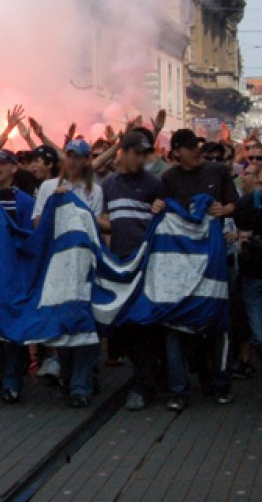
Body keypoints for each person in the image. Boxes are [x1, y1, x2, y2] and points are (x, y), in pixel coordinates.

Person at [158, 128, 239, 411]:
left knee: (219, 324)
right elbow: (163, 212)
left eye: (197, 146)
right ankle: (179, 390)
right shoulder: (168, 178)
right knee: (174, 326)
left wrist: (224, 210)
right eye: (190, 147)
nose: (197, 152)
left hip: (214, 260)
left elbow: (235, 203)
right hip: (181, 265)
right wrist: (158, 207)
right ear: (176, 152)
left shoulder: (217, 171)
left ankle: (222, 384)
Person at [32, 139, 103, 407]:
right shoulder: (48, 187)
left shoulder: (95, 190)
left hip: (83, 263)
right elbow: (38, 224)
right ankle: (69, 374)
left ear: (86, 160)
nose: (72, 161)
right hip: (57, 264)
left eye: (78, 156)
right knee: (63, 320)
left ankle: (80, 383)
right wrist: (56, 203)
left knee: (83, 320)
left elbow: (93, 227)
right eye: (69, 155)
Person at [100, 132, 164, 410]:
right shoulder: (108, 185)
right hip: (119, 266)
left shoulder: (154, 183)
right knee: (121, 328)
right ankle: (151, 371)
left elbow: (166, 219)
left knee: (143, 326)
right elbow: (106, 221)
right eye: (136, 153)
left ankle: (143, 384)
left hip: (147, 265)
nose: (141, 159)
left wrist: (160, 209)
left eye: (144, 154)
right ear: (123, 152)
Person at [0, 149, 35, 403]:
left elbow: (28, 237)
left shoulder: (24, 202)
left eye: (3, 163)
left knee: (14, 324)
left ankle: (11, 378)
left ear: (14, 168)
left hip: (14, 274)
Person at [234, 163, 262, 392]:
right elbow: (244, 242)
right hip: (255, 275)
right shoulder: (246, 205)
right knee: (261, 335)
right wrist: (244, 245)